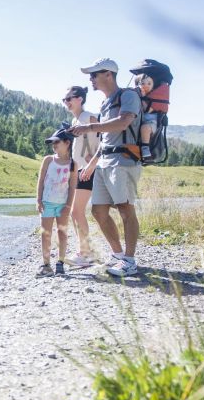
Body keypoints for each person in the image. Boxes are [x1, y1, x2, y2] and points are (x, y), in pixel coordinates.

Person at [70, 58, 142, 277]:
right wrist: (92, 164)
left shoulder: (127, 96)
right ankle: (118, 255)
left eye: (94, 75)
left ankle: (130, 261)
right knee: (98, 210)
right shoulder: (105, 103)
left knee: (125, 208)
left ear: (108, 75)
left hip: (124, 160)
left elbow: (123, 122)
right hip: (104, 162)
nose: (91, 79)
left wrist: (89, 127)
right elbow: (104, 140)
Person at [62, 85, 99, 267]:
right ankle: (84, 251)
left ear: (80, 99)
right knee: (73, 212)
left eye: (69, 99)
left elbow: (103, 141)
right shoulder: (75, 120)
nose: (66, 102)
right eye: (64, 100)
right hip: (78, 170)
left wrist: (93, 161)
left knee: (77, 211)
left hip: (88, 170)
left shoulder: (89, 117)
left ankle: (85, 254)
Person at [35, 126, 78, 277]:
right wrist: (38, 200)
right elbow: (41, 181)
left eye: (57, 142)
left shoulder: (73, 164)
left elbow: (72, 187)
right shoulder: (48, 160)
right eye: (52, 143)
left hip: (62, 205)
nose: (54, 145)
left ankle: (60, 262)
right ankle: (46, 264)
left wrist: (68, 205)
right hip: (47, 202)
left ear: (67, 143)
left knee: (62, 232)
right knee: (45, 233)